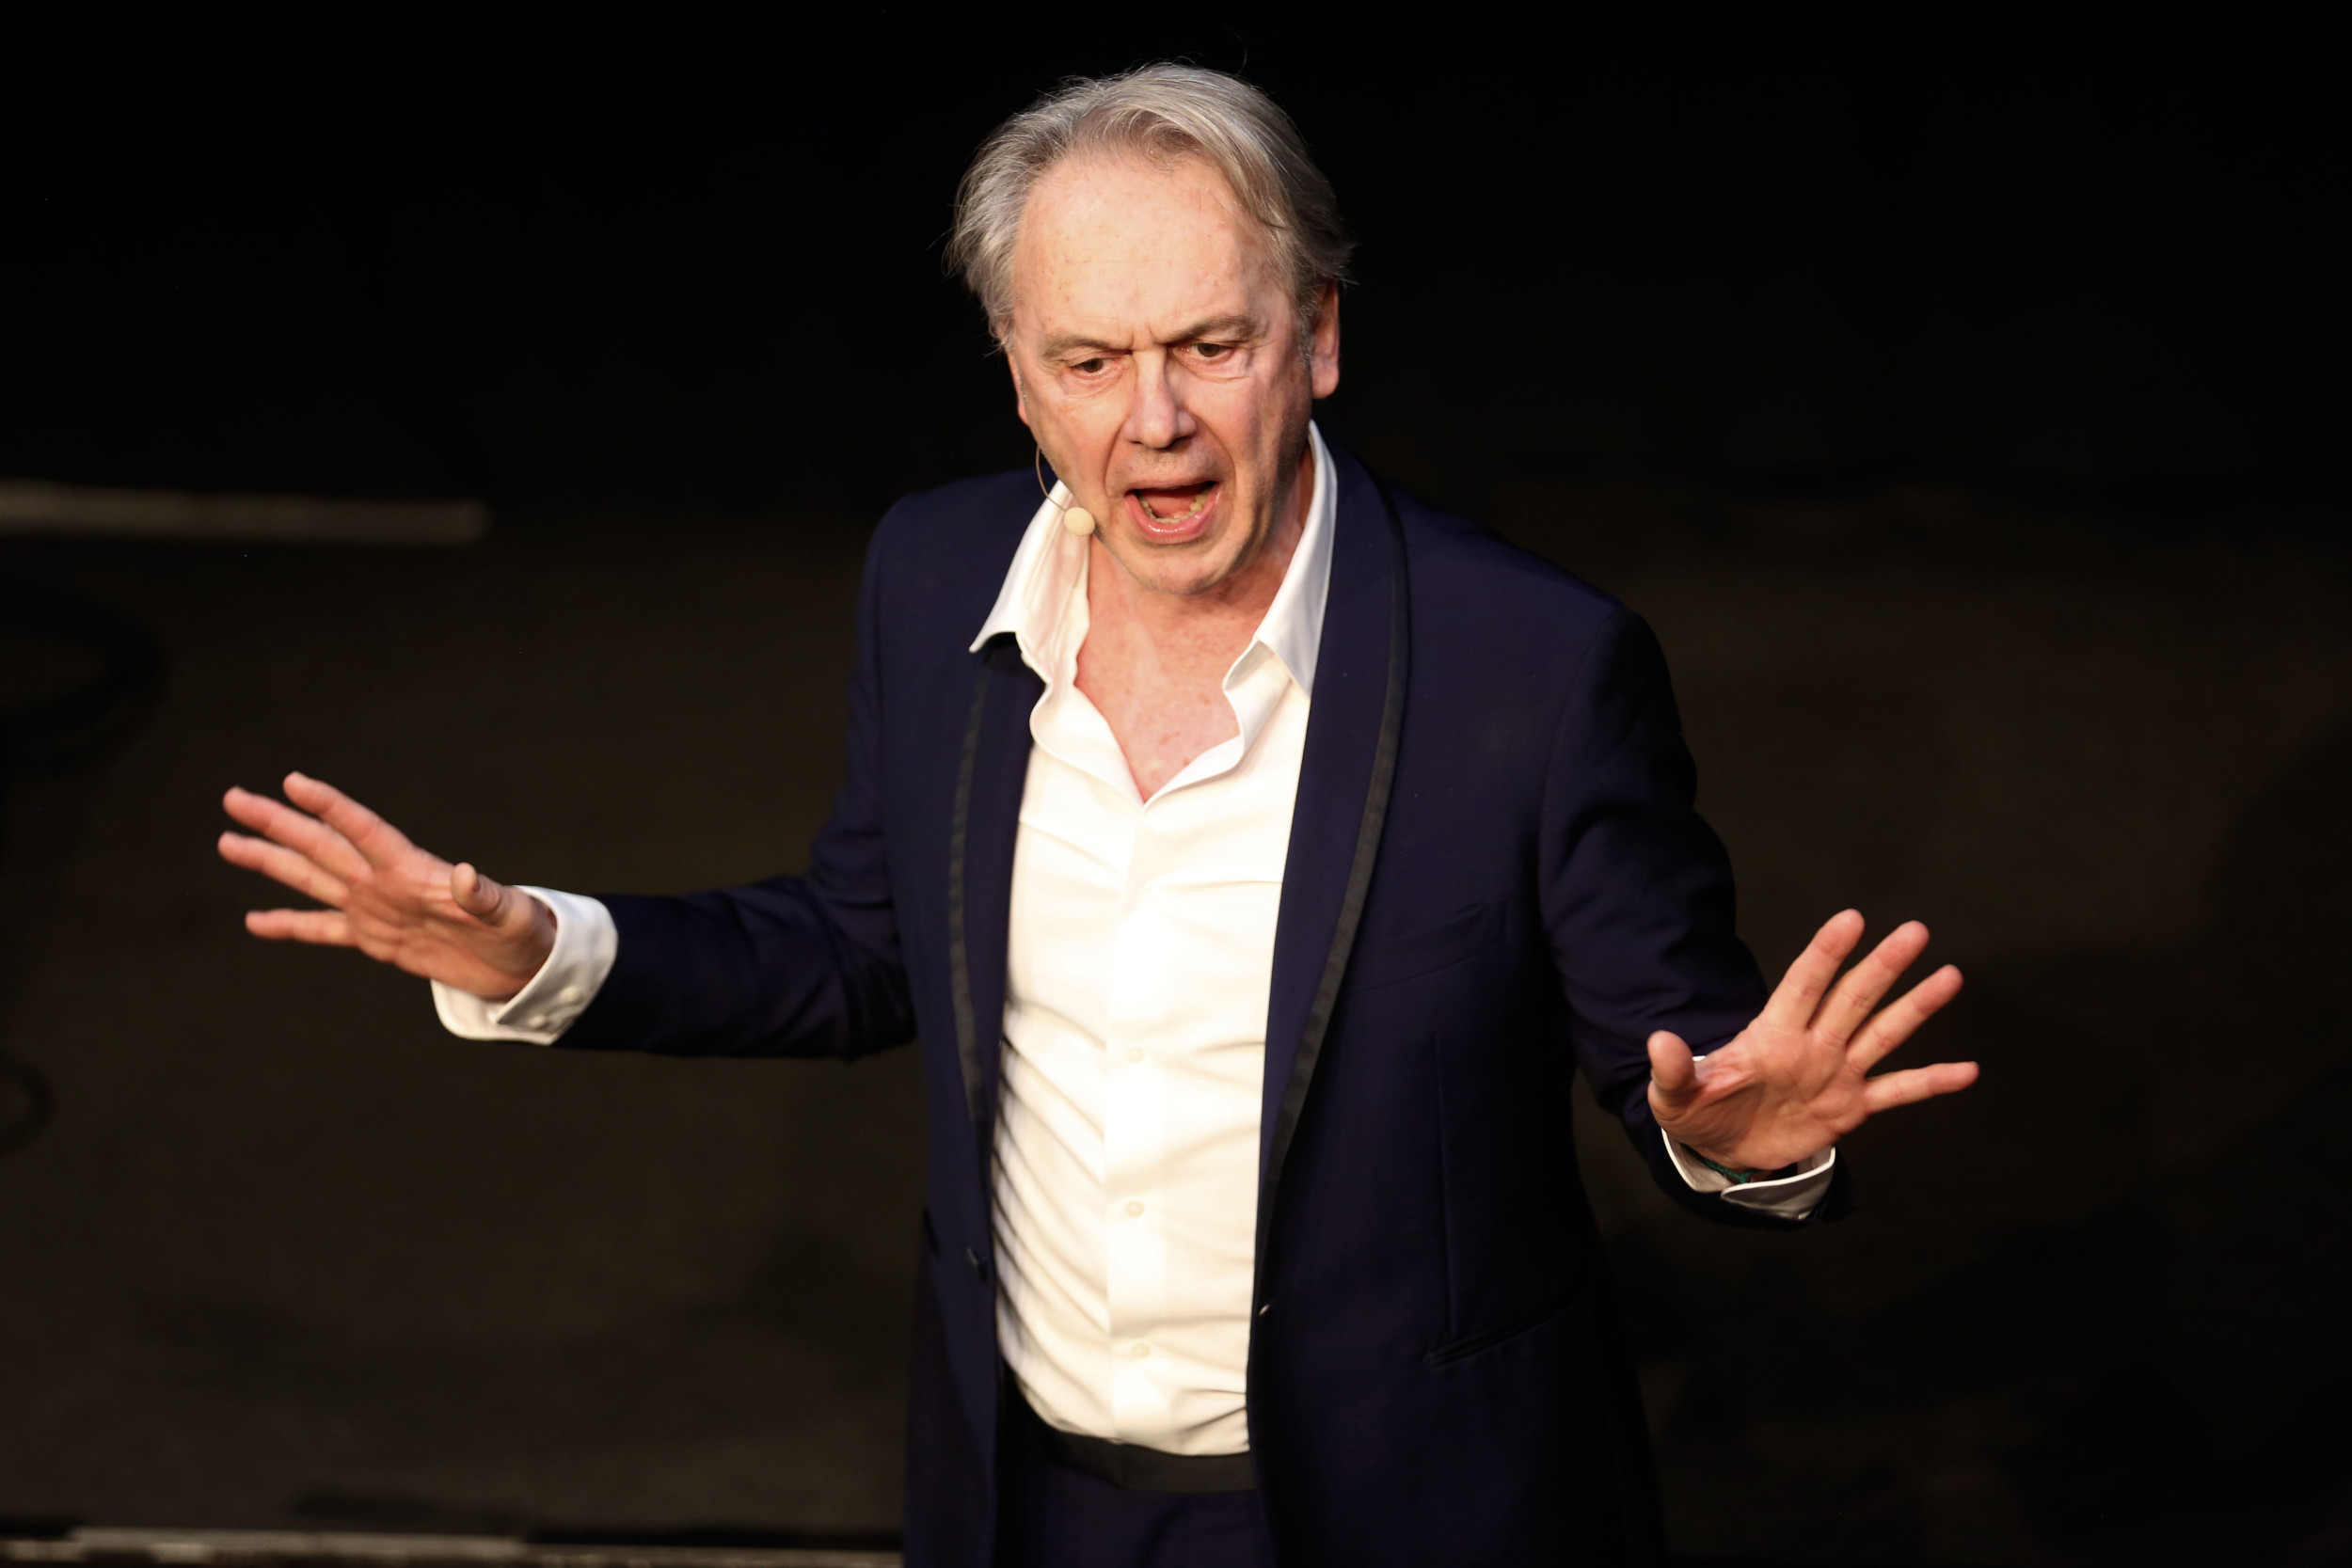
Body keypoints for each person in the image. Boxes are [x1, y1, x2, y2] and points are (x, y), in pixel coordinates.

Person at [216, 66, 1975, 1568]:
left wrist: (1743, 1149)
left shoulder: (1535, 667)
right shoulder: (931, 578)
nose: (1156, 423)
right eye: (1089, 358)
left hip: (1406, 1513)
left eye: (1212, 344)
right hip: (1026, 1503)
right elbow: (860, 948)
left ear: (1318, 340)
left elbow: (1685, 1063)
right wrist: (535, 951)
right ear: (1015, 370)